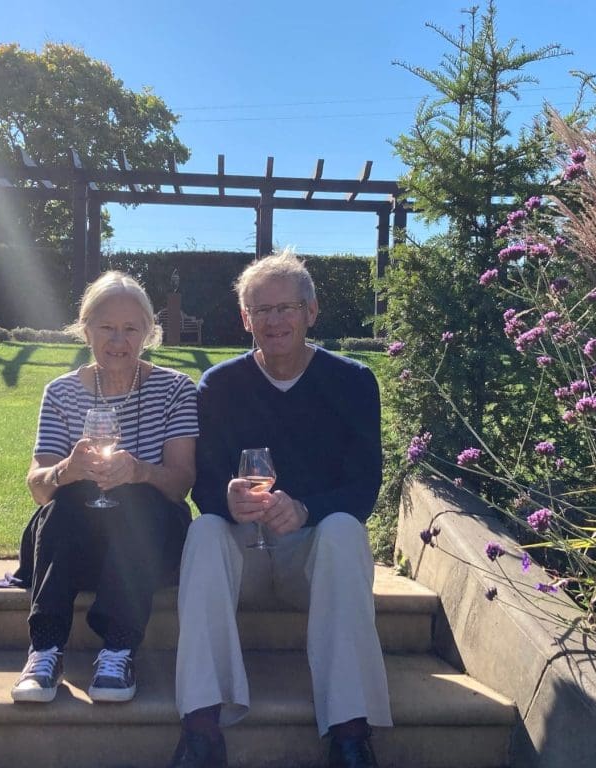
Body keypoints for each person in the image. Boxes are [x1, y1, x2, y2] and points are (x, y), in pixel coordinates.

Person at [167, 251, 391, 768]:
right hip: (243, 556)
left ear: (311, 311)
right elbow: (204, 482)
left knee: (342, 529)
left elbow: (365, 488)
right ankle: (201, 728)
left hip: (311, 559)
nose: (274, 321)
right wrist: (224, 498)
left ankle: (351, 734)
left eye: (286, 307)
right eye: (260, 310)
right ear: (245, 319)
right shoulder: (219, 386)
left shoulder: (352, 382)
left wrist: (307, 509)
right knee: (202, 534)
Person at [11, 270, 197, 705]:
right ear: (85, 329)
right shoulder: (60, 392)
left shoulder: (175, 390)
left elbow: (181, 484)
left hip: (150, 542)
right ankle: (45, 650)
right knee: (66, 497)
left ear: (149, 333)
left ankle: (119, 648)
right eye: (106, 328)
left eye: (131, 328)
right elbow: (39, 488)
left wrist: (140, 472)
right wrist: (66, 471)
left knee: (141, 499)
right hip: (76, 542)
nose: (118, 340)